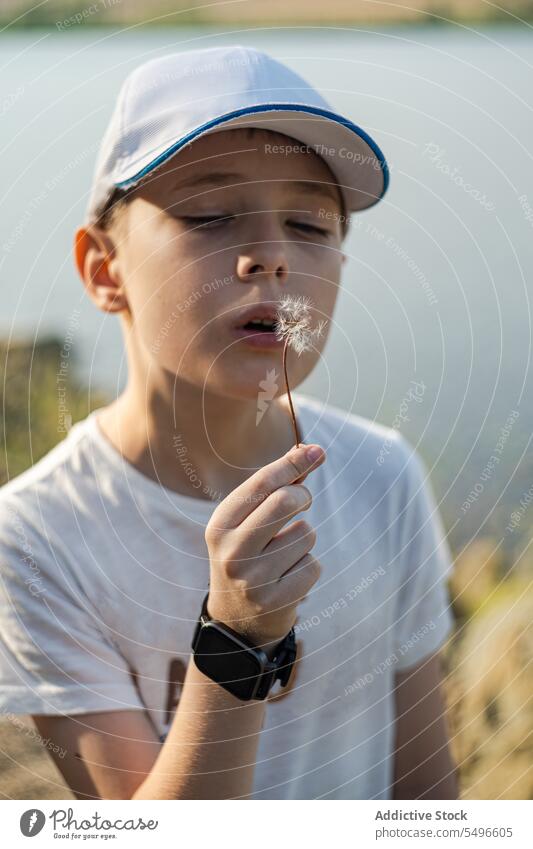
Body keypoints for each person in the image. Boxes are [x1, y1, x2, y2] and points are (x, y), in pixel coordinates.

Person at [0, 45, 458, 800]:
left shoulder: (384, 475)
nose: (270, 257)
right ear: (103, 270)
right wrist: (237, 642)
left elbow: (427, 796)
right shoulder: (35, 539)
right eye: (209, 216)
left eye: (309, 226)